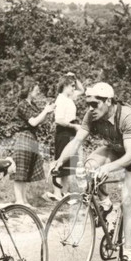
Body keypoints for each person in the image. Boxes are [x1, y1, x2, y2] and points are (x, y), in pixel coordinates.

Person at [51, 82, 131, 261]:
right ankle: (105, 205)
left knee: (127, 199)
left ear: (108, 101)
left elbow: (130, 156)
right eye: (88, 104)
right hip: (116, 148)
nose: (90, 109)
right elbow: (77, 141)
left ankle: (128, 254)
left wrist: (107, 168)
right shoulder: (92, 115)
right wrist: (60, 161)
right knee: (88, 169)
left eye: (95, 104)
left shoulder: (127, 116)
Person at [10, 81, 54, 206]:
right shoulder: (22, 105)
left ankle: (24, 200)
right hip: (23, 138)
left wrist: (47, 111)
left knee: (26, 171)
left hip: (31, 139)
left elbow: (40, 119)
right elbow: (34, 122)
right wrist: (45, 111)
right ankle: (19, 200)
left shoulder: (32, 105)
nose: (38, 91)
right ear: (29, 90)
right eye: (36, 89)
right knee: (20, 171)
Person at [44, 73, 83, 201]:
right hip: (64, 132)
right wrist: (74, 126)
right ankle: (57, 193)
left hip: (71, 132)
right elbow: (59, 120)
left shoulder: (70, 98)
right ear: (65, 86)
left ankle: (64, 194)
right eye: (71, 86)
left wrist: (74, 78)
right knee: (60, 162)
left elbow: (81, 90)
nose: (73, 88)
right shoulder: (60, 99)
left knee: (68, 164)